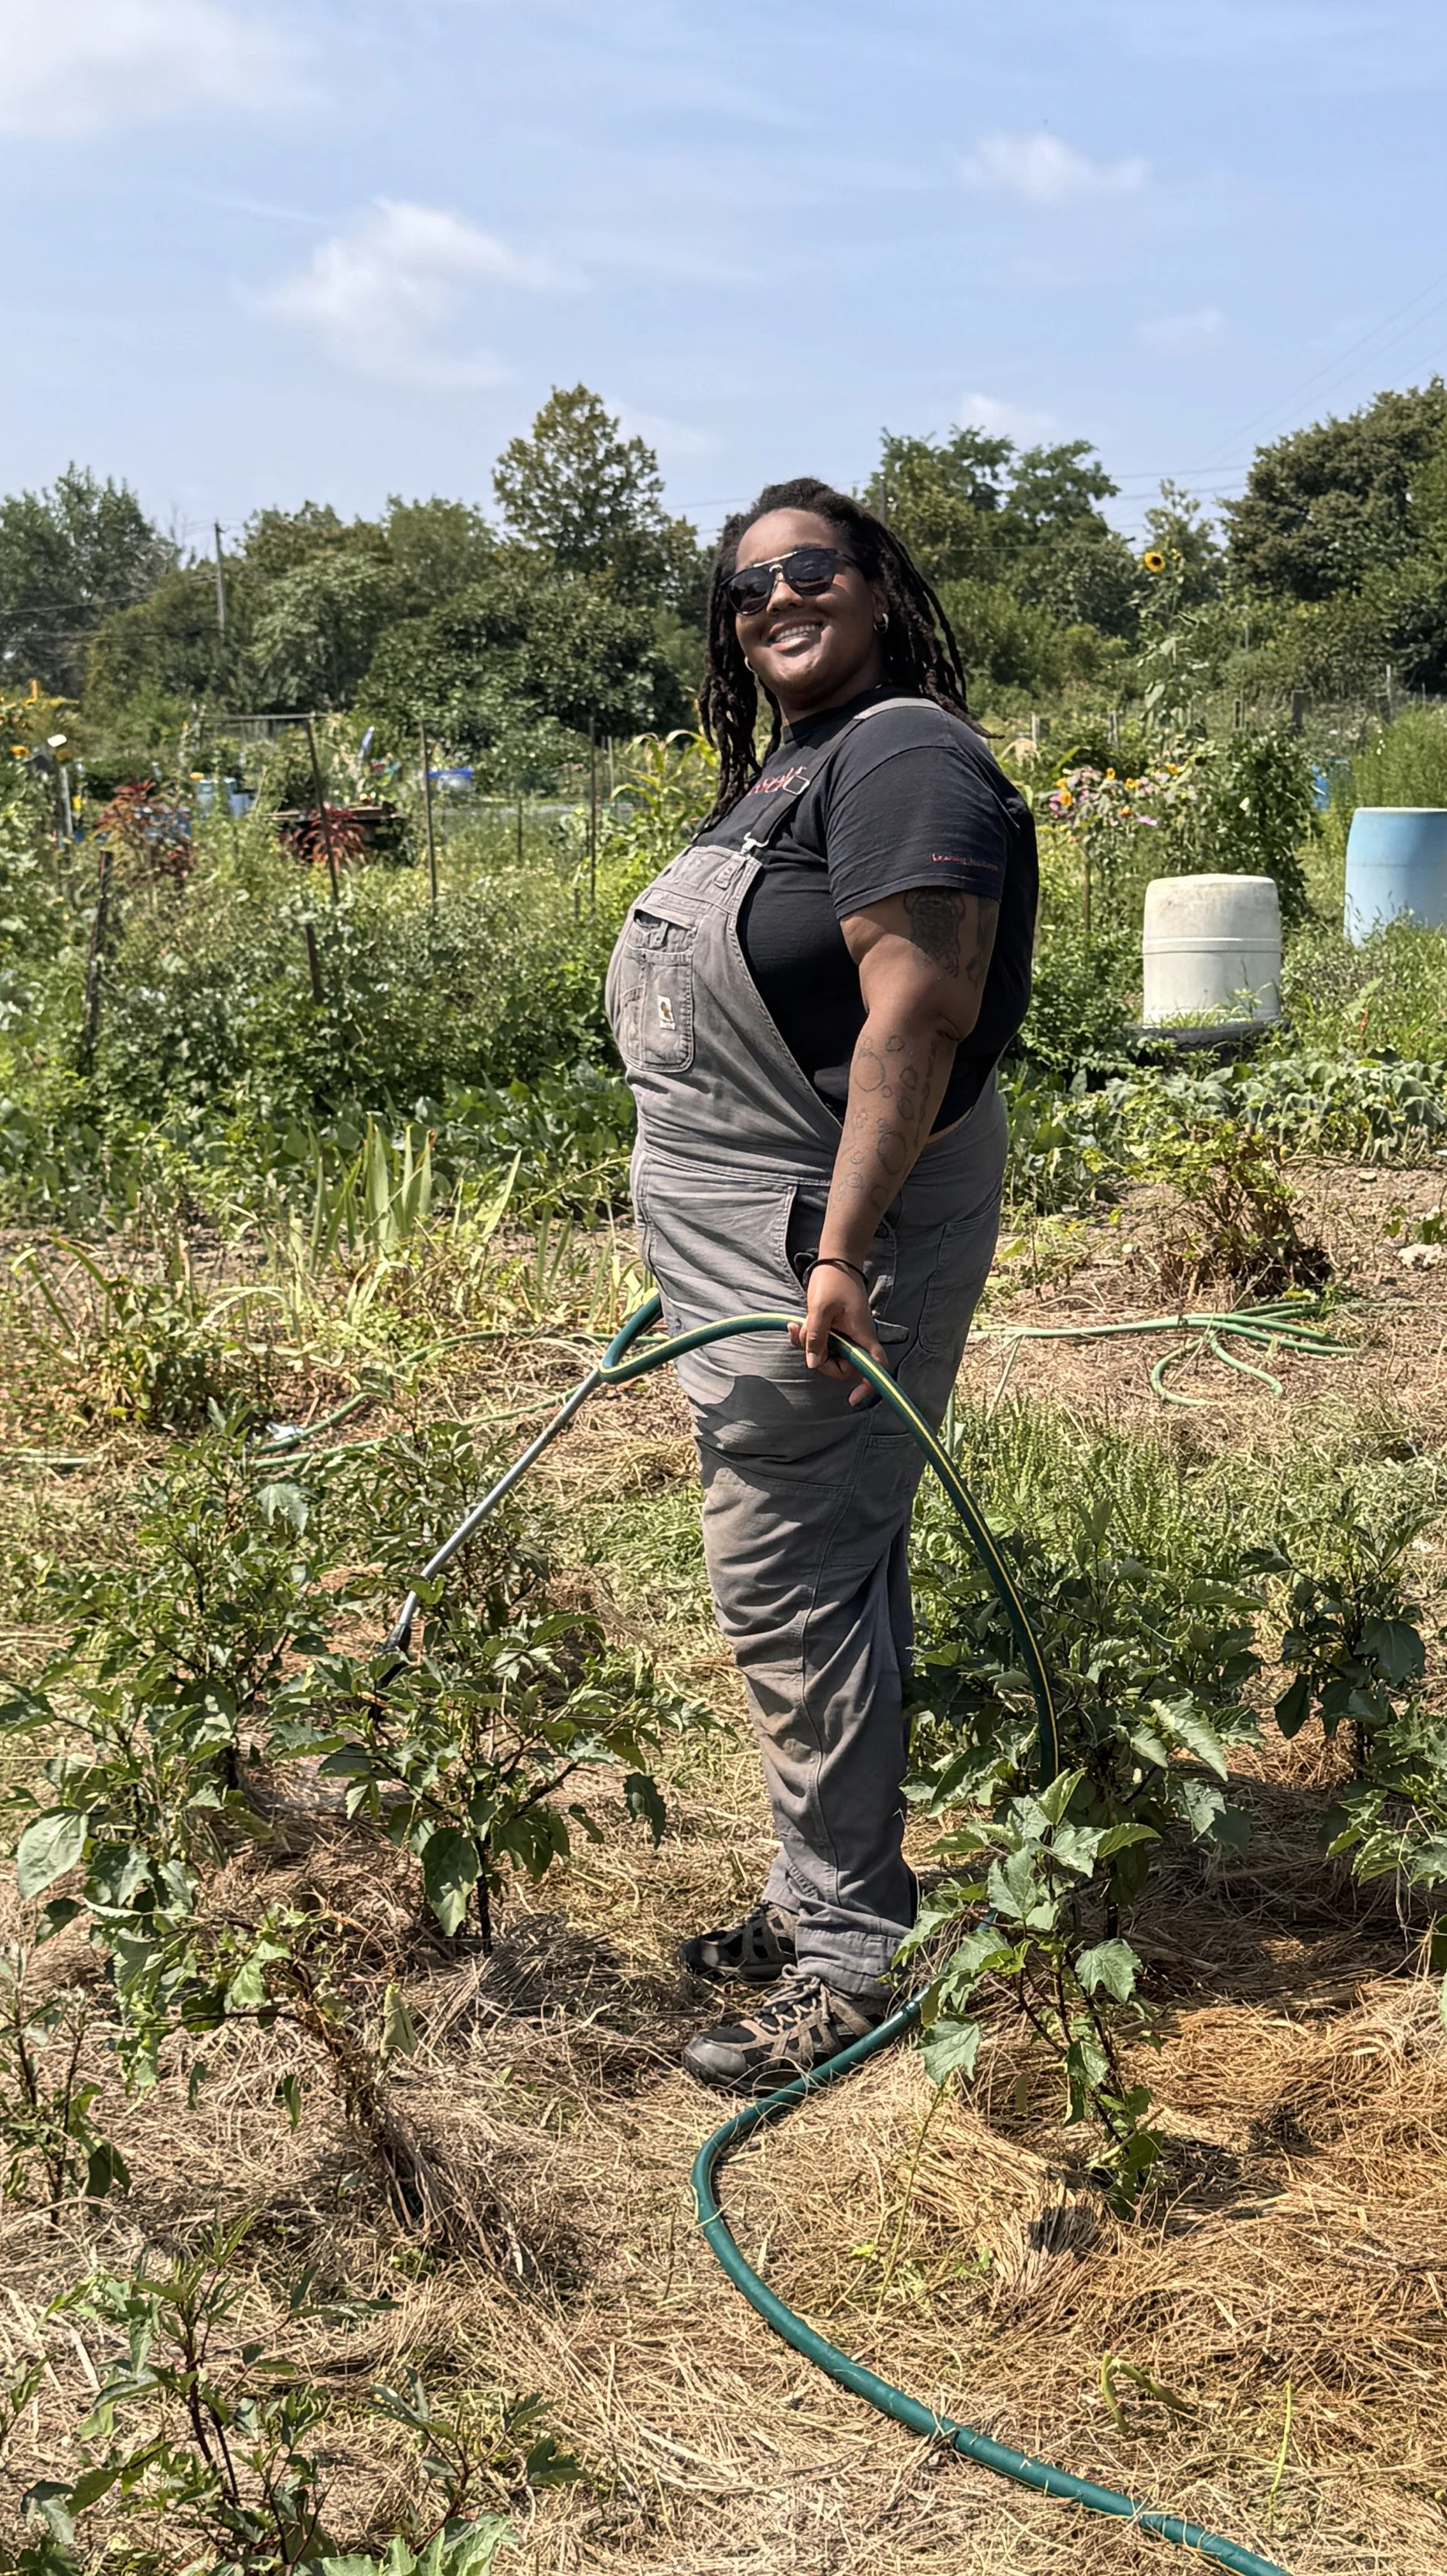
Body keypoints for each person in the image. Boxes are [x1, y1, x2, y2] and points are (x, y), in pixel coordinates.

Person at [604, 478, 1038, 2093]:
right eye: (743, 587)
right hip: (754, 1235)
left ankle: (852, 1949)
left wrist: (841, 1251)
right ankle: (812, 1889)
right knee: (818, 1562)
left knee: (791, 1577)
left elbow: (911, 1024)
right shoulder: (796, 763)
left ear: (875, 585)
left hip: (825, 1241)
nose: (773, 599)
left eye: (807, 569)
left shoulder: (904, 754)